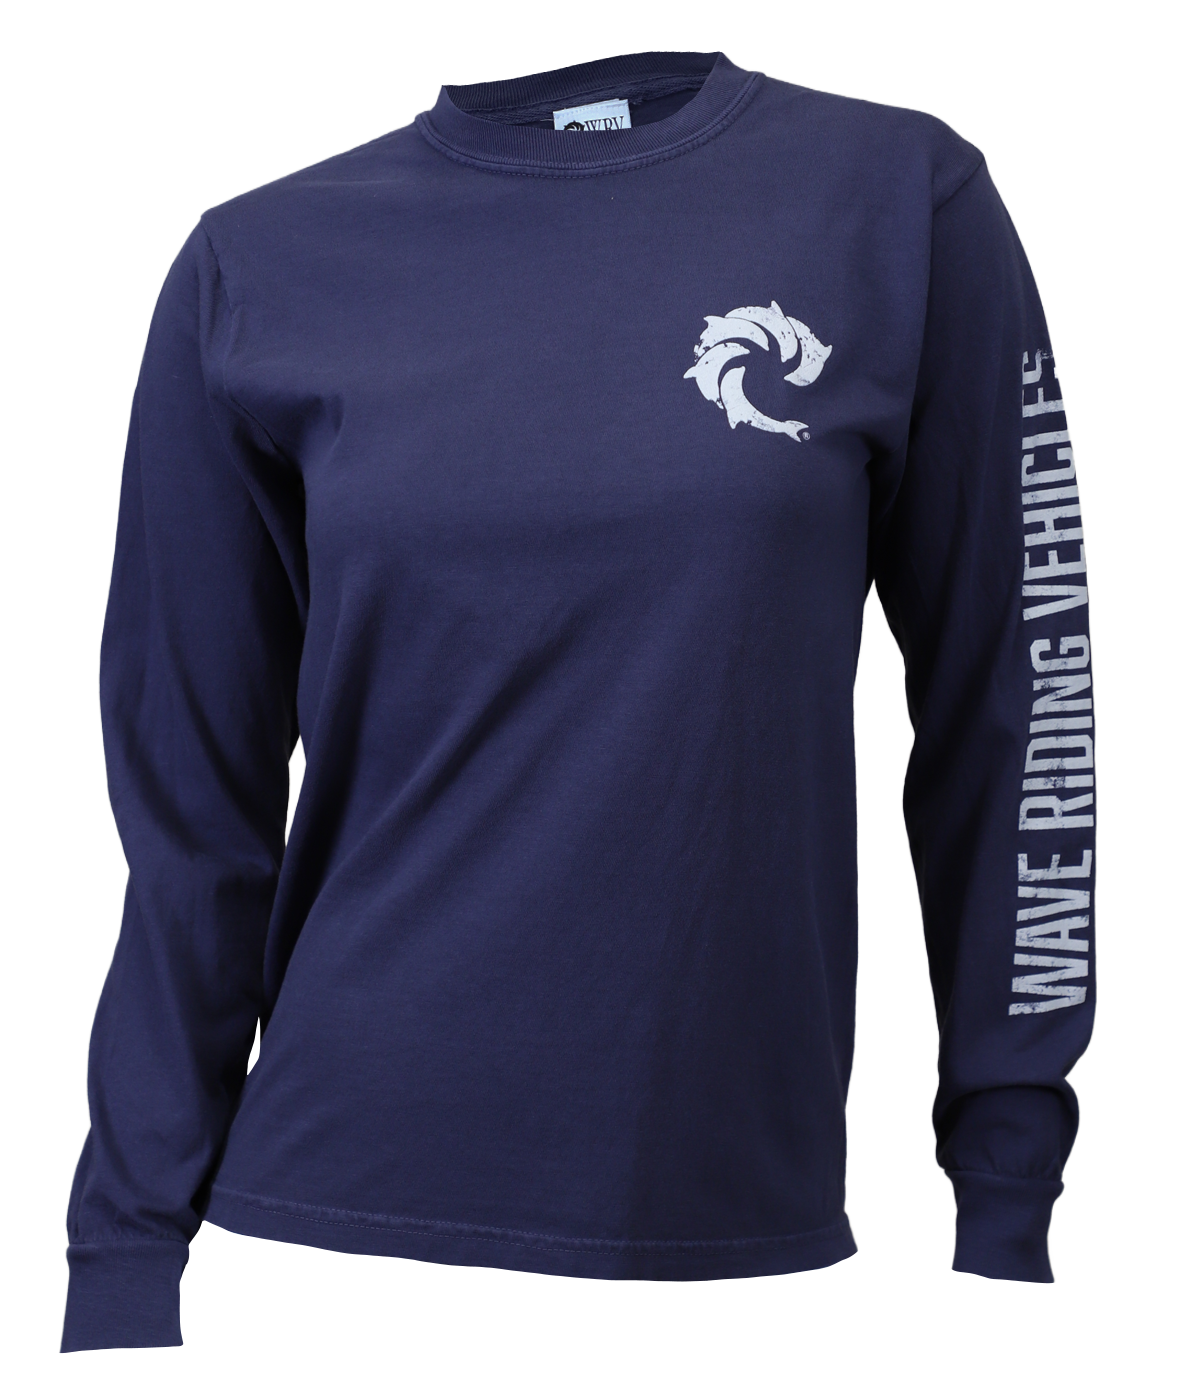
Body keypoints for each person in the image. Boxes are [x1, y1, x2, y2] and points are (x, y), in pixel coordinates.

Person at [62, 51, 1094, 1354]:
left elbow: (1020, 715)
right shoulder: (256, 268)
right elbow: (191, 833)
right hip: (331, 1245)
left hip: (751, 1232)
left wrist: (1006, 1199)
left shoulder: (898, 201)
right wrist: (125, 1262)